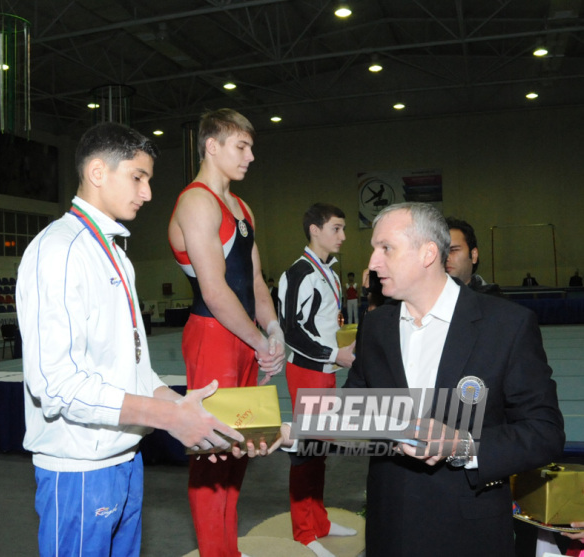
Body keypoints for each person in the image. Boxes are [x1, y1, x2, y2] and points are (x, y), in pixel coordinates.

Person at [16, 122, 247, 557]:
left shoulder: (117, 255)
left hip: (125, 457)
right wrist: (169, 417)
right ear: (98, 172)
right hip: (80, 469)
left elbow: (135, 368)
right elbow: (55, 384)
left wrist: (181, 407)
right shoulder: (60, 251)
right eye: (138, 178)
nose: (147, 193)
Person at [344, 202, 565, 557]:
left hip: (467, 533)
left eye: (385, 248)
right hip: (389, 528)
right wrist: (285, 434)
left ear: (428, 253)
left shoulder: (506, 325)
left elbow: (545, 432)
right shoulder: (376, 326)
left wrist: (462, 446)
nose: (372, 262)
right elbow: (353, 407)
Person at [168, 108, 286, 557]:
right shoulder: (195, 202)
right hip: (214, 334)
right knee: (212, 452)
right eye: (242, 146)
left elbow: (255, 282)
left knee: (242, 447)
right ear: (212, 146)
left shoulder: (241, 207)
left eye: (251, 147)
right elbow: (216, 291)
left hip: (244, 337)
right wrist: (259, 341)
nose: (251, 156)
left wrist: (273, 332)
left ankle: (226, 549)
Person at [278, 203, 357, 557]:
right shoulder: (299, 273)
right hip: (308, 370)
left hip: (325, 370)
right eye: (336, 229)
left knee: (319, 449)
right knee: (305, 452)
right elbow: (290, 331)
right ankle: (303, 531)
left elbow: (323, 324)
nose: (342, 236)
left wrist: (342, 346)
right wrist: (333, 354)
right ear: (315, 230)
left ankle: (320, 521)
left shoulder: (331, 272)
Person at [445, 216, 502, 296]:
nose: (446, 257)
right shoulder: (426, 300)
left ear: (473, 255)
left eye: (453, 250)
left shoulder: (494, 302)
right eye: (441, 252)